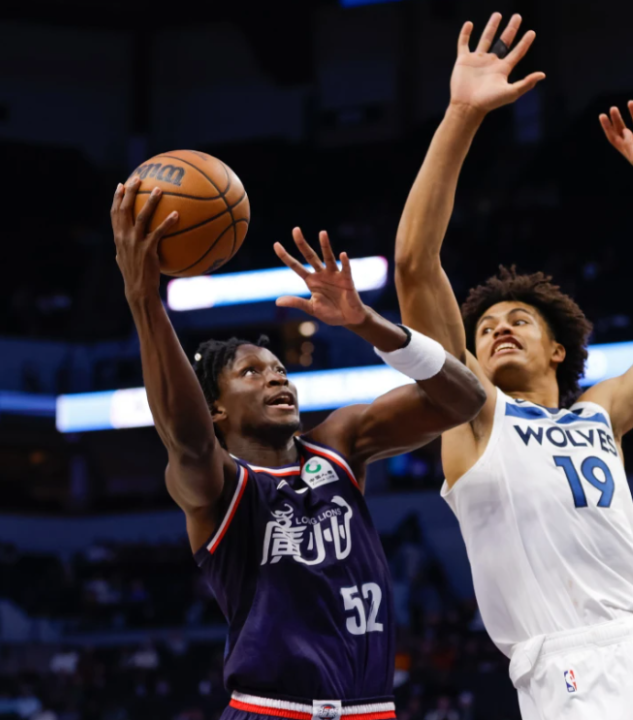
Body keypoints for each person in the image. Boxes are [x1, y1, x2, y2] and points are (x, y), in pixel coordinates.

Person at [392, 12, 633, 719]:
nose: (498, 330)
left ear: (558, 349)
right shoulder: (472, 413)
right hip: (567, 663)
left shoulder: (599, 412)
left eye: (518, 320)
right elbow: (416, 265)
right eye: (484, 327)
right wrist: (460, 115)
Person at [111, 179, 487, 718]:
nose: (276, 379)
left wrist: (369, 324)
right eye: (251, 373)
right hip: (271, 710)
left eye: (280, 370)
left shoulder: (339, 444)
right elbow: (188, 440)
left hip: (372, 710)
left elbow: (464, 401)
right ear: (215, 408)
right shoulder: (218, 488)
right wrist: (144, 300)